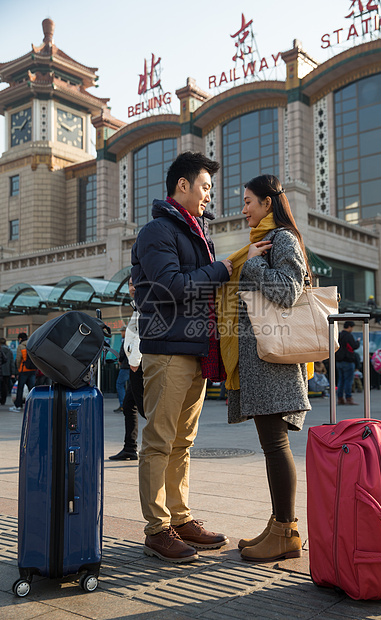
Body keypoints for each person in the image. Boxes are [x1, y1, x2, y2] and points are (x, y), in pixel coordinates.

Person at [131, 151, 232, 563]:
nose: (209, 195)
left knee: (182, 443)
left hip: (195, 348)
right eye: (205, 186)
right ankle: (157, 529)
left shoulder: (196, 233)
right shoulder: (157, 231)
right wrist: (221, 269)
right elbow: (171, 286)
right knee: (159, 440)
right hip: (168, 349)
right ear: (182, 186)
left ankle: (181, 517)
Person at [216, 174, 311, 562]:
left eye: (249, 201)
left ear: (268, 203)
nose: (244, 209)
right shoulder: (262, 243)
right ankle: (278, 526)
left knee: (276, 444)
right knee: (271, 445)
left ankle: (287, 531)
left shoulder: (283, 239)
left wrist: (252, 266)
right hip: (261, 361)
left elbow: (290, 291)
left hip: (274, 361)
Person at [109, 277, 145, 461]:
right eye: (130, 284)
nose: (132, 287)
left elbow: (142, 333)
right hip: (135, 362)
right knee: (130, 404)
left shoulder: (144, 302)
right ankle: (130, 447)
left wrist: (135, 359)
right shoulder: (136, 304)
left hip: (138, 364)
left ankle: (162, 447)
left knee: (145, 408)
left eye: (135, 283)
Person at [9, 333, 36, 412]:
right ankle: (33, 405)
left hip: (24, 370)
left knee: (20, 388)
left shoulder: (21, 346)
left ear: (20, 339)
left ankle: (18, 406)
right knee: (32, 389)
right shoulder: (31, 345)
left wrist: (18, 370)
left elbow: (18, 359)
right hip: (32, 370)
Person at [335, 321, 360, 405]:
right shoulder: (348, 336)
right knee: (348, 380)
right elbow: (354, 346)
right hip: (348, 361)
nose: (352, 329)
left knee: (341, 380)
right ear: (349, 327)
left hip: (339, 361)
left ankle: (340, 398)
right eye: (352, 327)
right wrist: (358, 342)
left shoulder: (339, 335)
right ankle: (348, 398)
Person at [113, 326, 130, 413]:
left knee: (119, 384)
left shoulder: (126, 340)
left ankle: (123, 404)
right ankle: (133, 404)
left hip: (126, 366)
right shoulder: (132, 340)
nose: (121, 333)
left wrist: (120, 360)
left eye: (122, 331)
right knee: (132, 386)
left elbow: (123, 353)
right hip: (132, 366)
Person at [0, 338, 16, 405]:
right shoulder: (9, 350)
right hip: (7, 372)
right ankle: (3, 400)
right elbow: (11, 362)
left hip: (0, 371)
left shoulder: (0, 350)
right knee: (5, 386)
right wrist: (13, 372)